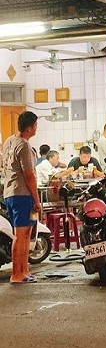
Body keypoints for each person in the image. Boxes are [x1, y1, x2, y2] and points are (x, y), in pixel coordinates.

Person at [2, 111, 41, 283]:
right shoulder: (24, 145)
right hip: (22, 194)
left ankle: (24, 271)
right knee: (22, 234)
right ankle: (17, 274)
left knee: (24, 234)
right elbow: (29, 174)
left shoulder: (10, 141)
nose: (36, 128)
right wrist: (37, 199)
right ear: (29, 128)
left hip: (10, 193)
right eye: (35, 125)